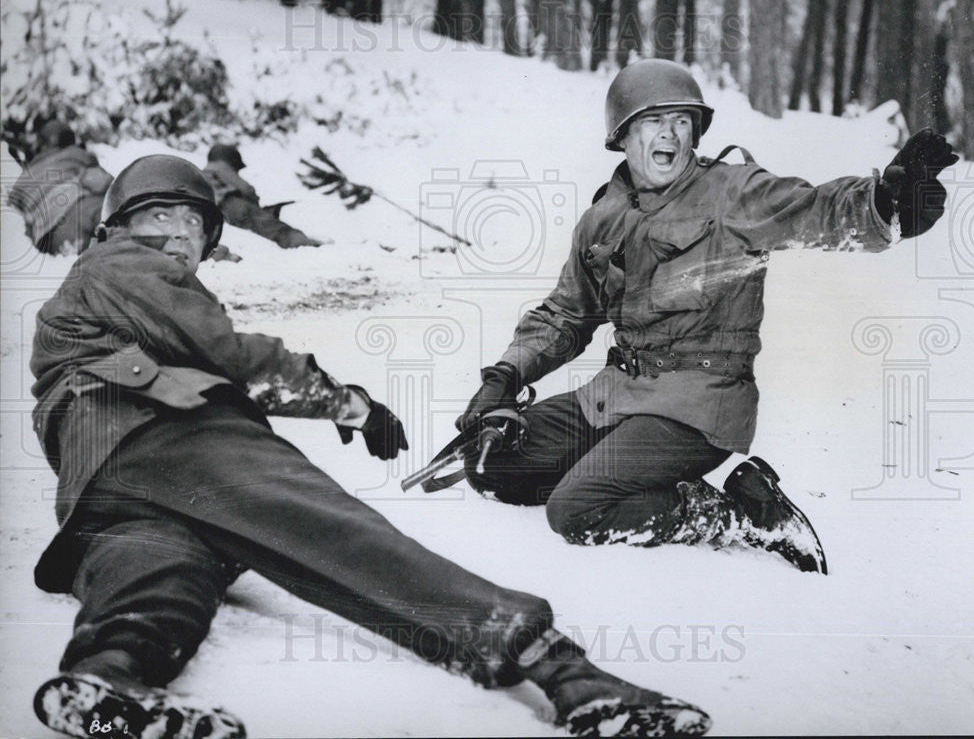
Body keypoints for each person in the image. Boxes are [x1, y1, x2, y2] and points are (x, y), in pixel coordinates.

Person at [30, 154, 712, 739]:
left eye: (193, 226)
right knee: (339, 533)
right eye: (161, 218)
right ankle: (563, 669)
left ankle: (108, 678)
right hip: (171, 436)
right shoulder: (119, 265)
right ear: (115, 227)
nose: (179, 237)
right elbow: (229, 353)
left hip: (100, 480)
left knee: (159, 572)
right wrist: (348, 403)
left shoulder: (95, 300)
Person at [458, 59, 958, 574]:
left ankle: (738, 514)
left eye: (683, 120)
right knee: (491, 462)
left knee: (576, 510)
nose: (671, 132)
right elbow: (566, 312)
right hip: (620, 393)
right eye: (655, 120)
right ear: (623, 135)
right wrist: (505, 376)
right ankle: (624, 469)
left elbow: (816, 209)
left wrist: (887, 204)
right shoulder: (602, 217)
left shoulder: (732, 192)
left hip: (699, 404)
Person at [7, 120, 113, 255]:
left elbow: (14, 221)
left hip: (53, 238)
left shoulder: (22, 181)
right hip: (86, 209)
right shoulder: (76, 154)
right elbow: (105, 182)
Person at [202, 143, 322, 248]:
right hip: (231, 204)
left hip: (213, 212)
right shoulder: (221, 167)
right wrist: (257, 207)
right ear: (231, 159)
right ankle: (303, 244)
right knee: (272, 227)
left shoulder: (203, 173)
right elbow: (247, 189)